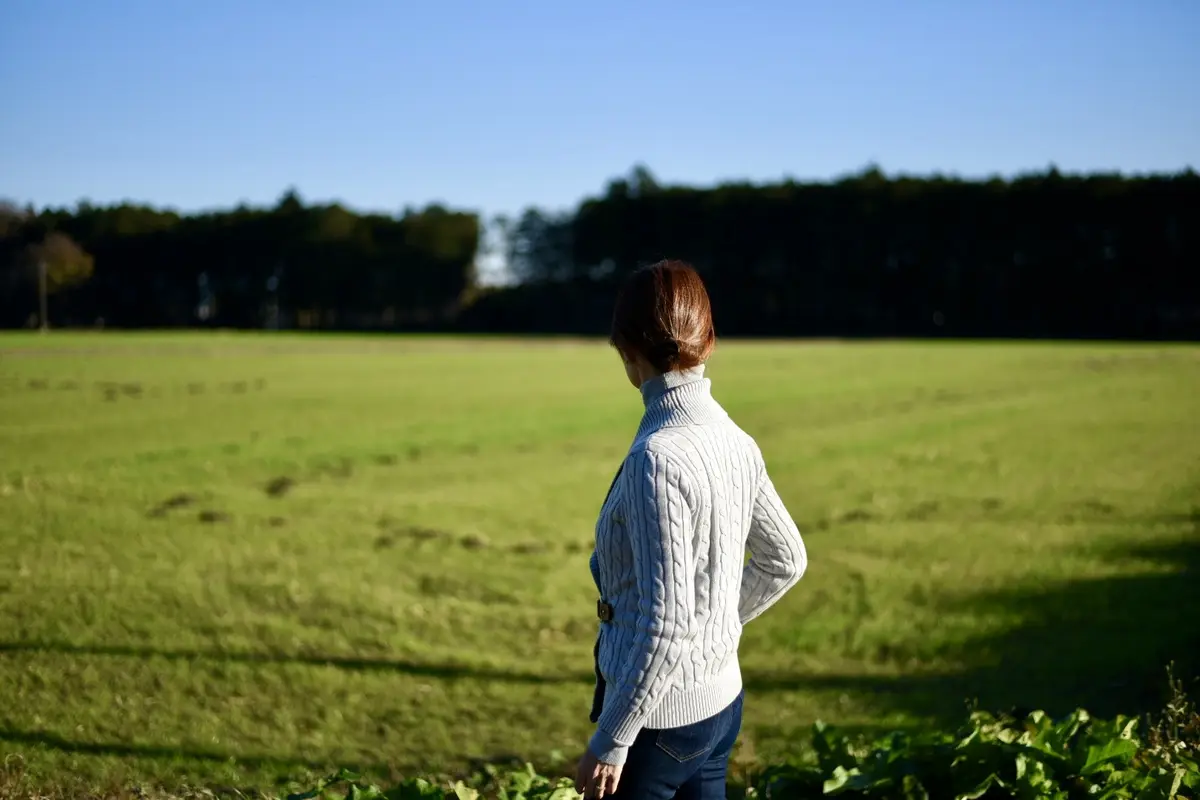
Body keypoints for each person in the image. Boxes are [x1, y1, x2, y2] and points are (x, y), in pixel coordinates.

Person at [576, 260, 808, 799]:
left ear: (628, 352)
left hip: (657, 726)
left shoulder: (656, 459)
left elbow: (666, 625)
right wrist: (713, 629)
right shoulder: (735, 438)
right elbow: (786, 560)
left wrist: (612, 739)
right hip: (721, 706)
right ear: (708, 341)